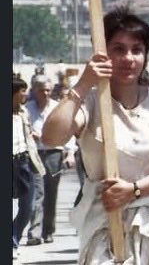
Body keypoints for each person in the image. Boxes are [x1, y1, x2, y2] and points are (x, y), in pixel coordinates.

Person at [40, 7, 149, 264]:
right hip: (106, 225)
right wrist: (82, 84)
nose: (128, 58)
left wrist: (134, 190)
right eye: (118, 49)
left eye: (136, 49)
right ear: (103, 53)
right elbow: (52, 137)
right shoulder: (90, 103)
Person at [25, 73, 74, 247]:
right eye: (41, 90)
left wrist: (70, 153)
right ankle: (35, 232)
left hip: (54, 153)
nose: (45, 93)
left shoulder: (57, 107)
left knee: (51, 194)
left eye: (48, 90)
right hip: (35, 153)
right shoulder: (27, 109)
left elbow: (68, 130)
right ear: (35, 91)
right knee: (37, 193)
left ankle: (48, 230)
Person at [13, 77, 46, 258]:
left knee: (28, 207)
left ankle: (14, 238)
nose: (26, 94)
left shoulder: (24, 113)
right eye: (22, 91)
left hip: (24, 162)